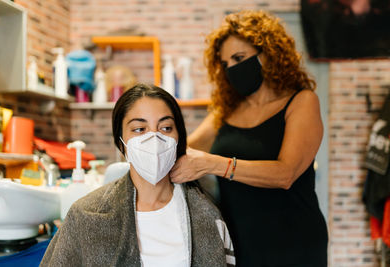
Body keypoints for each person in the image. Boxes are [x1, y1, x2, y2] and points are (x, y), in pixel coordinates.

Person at [170, 10, 328, 267]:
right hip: (240, 240)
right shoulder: (225, 111)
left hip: (294, 241)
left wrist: (214, 164)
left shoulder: (301, 102)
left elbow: (285, 174)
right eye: (225, 64)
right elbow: (186, 150)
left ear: (268, 55)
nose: (232, 68)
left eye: (239, 58)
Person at [41, 84, 235, 267]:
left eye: (165, 128)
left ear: (179, 138)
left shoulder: (207, 216)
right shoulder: (87, 215)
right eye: (139, 129)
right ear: (121, 143)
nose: (154, 138)